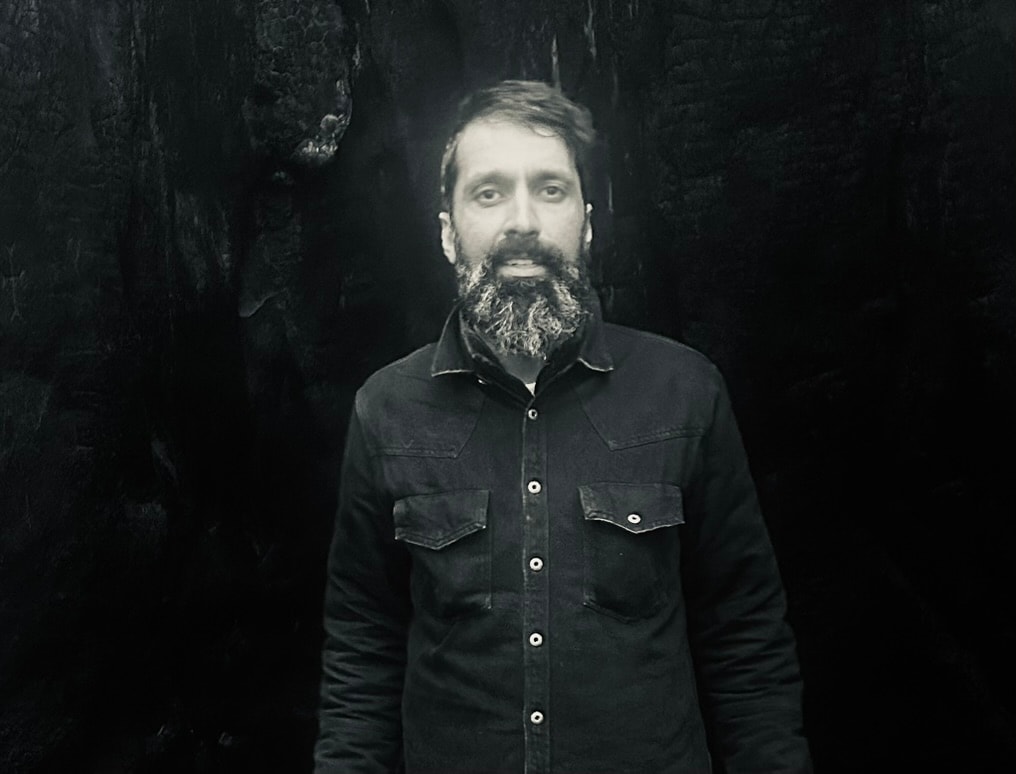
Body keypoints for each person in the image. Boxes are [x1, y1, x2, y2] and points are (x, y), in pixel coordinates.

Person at [315, 80, 811, 774]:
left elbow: (746, 639)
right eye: (489, 192)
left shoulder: (684, 392)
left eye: (549, 189)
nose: (522, 220)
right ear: (448, 232)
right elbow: (362, 652)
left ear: (587, 222)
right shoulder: (386, 409)